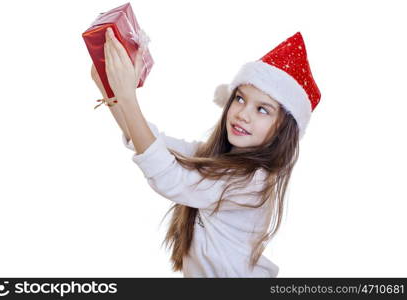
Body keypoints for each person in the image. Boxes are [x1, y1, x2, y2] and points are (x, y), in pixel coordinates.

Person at [91, 27, 321, 277]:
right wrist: (109, 89)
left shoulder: (252, 181)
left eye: (262, 109)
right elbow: (148, 142)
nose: (242, 114)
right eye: (240, 99)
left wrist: (127, 97)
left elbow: (168, 177)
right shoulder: (216, 159)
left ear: (283, 129)